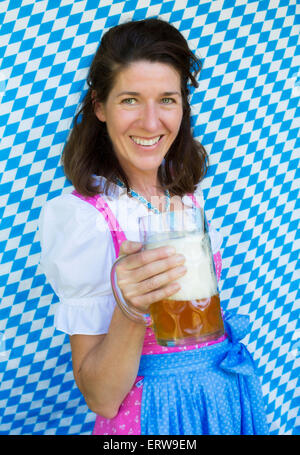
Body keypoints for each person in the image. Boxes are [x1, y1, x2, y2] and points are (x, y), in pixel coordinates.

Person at [38, 18, 269, 435]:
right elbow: (101, 397)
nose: (150, 122)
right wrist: (130, 310)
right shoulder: (85, 219)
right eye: (130, 100)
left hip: (221, 402)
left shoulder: (186, 195)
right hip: (155, 418)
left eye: (167, 99)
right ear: (100, 107)